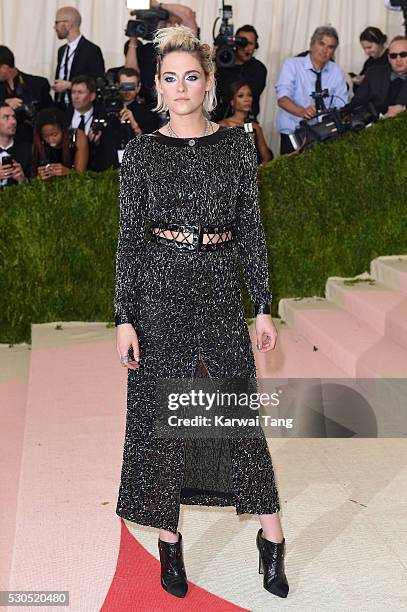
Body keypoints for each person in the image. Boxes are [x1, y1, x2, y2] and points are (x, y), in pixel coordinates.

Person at [114, 25, 289, 601]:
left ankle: (273, 538)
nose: (182, 87)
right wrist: (125, 316)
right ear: (158, 88)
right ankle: (170, 542)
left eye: (193, 77)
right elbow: (130, 243)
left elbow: (254, 234)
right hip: (160, 291)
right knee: (167, 425)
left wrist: (261, 307)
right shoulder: (139, 153)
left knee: (236, 417)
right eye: (171, 79)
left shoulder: (236, 146)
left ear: (210, 83)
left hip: (218, 289)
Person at [275, 26, 348, 155]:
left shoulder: (336, 70)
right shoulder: (292, 65)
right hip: (294, 134)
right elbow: (282, 99)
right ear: (312, 44)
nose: (325, 50)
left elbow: (341, 104)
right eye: (321, 44)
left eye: (330, 47)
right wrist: (302, 111)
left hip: (326, 134)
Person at [122, 1, 198, 107]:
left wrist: (157, 4)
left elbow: (188, 14)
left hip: (177, 104)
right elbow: (130, 73)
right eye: (168, 23)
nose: (172, 26)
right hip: (149, 108)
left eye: (176, 23)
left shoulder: (184, 46)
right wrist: (133, 37)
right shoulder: (146, 50)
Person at [53, 6, 105, 109]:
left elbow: (97, 81)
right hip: (61, 106)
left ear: (68, 24)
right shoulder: (62, 50)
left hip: (82, 108)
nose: (55, 27)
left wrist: (69, 85)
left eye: (57, 23)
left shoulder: (91, 50)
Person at [213, 25, 267, 122]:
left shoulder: (259, 69)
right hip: (220, 121)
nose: (246, 48)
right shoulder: (222, 65)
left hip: (247, 123)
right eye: (243, 43)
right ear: (235, 44)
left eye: (250, 43)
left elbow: (250, 94)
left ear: (256, 46)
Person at [0, 45, 53, 142]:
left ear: (4, 68)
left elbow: (50, 117)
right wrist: (5, 103)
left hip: (31, 142)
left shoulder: (38, 85)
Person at [350, 35, 407, 118]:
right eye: (393, 56)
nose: (398, 59)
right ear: (389, 58)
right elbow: (356, 103)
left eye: (403, 54)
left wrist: (403, 108)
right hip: (372, 125)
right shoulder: (373, 73)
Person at [218, 80, 273, 164]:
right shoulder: (224, 125)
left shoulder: (255, 127)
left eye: (249, 95)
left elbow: (266, 156)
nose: (247, 99)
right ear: (232, 101)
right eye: (241, 96)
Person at [32, 107, 88, 179]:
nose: (51, 140)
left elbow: (81, 175)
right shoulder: (39, 143)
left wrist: (68, 172)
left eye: (54, 134)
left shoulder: (77, 136)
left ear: (63, 130)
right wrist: (40, 176)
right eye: (46, 136)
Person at [0, 102, 31, 187]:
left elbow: (37, 189)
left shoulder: (28, 150)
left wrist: (23, 180)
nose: (13, 121)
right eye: (6, 117)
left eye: (14, 117)